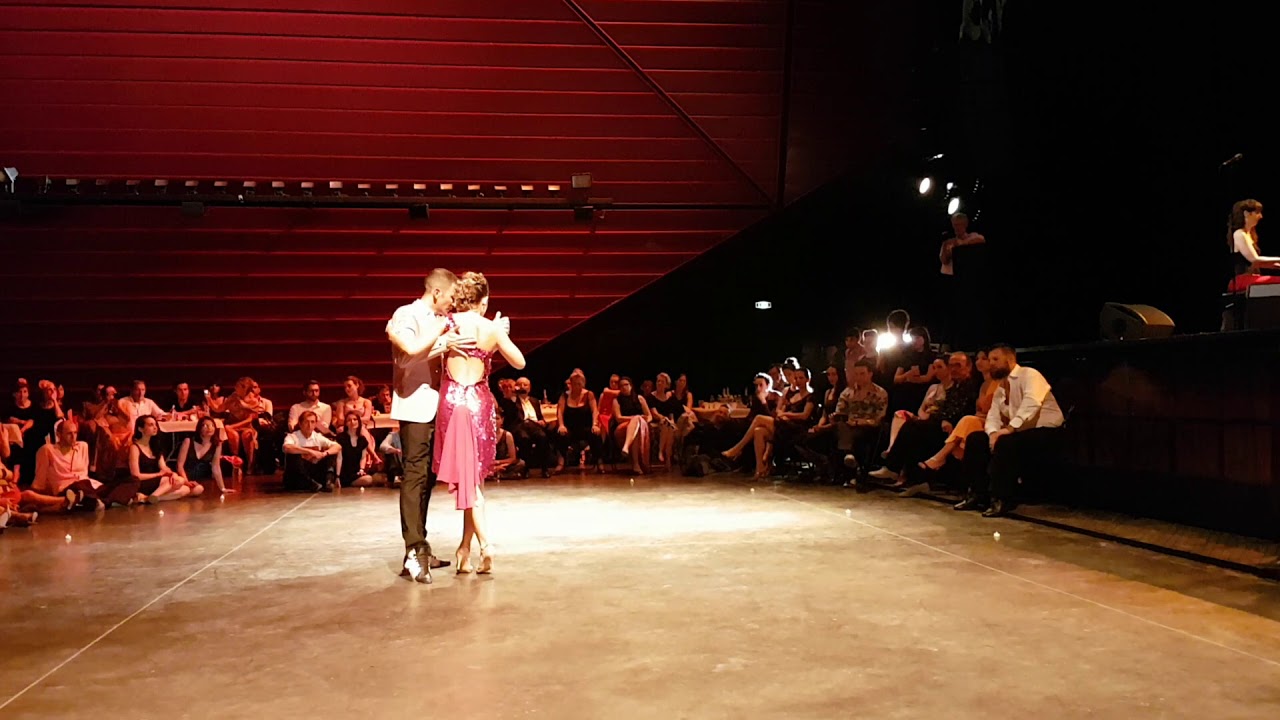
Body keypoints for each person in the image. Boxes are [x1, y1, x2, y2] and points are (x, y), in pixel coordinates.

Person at [431, 271, 525, 575]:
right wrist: (499, 336)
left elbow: (427, 355)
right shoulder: (490, 328)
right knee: (473, 481)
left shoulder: (448, 323)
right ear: (483, 301)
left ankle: (483, 545)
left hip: (454, 402)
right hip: (479, 404)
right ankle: (465, 550)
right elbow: (520, 363)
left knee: (471, 483)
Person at [386, 268, 461, 583]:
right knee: (414, 477)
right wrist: (442, 337)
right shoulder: (407, 314)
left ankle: (422, 546)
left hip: (436, 409)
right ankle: (413, 551)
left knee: (428, 478)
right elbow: (406, 357)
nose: (452, 305)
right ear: (437, 293)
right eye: (451, 298)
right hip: (415, 408)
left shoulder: (440, 321)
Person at [1227, 199, 1276, 293]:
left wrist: (1276, 265)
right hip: (1242, 280)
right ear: (1246, 213)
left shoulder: (1250, 235)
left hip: (1253, 278)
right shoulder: (1239, 234)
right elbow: (1254, 259)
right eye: (1257, 212)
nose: (1261, 216)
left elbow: (1257, 263)